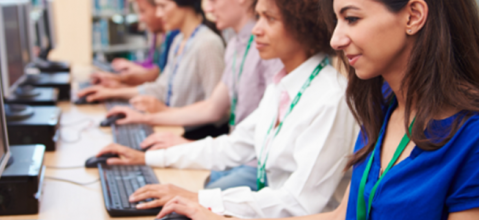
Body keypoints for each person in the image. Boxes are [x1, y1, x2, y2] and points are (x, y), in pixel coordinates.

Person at [153, 0, 479, 219]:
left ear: (414, 16)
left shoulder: (471, 137)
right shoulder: (379, 106)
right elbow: (342, 215)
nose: (336, 39)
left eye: (351, 18)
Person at [95, 0, 358, 217]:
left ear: (305, 26)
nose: (257, 29)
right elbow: (232, 146)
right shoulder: (283, 84)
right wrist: (146, 158)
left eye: (270, 19)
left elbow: (299, 203)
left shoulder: (330, 98)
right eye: (258, 17)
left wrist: (199, 198)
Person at [104, 0, 284, 191]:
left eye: (214, 1)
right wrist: (145, 118)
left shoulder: (268, 49)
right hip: (236, 152)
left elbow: (222, 118)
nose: (208, 8)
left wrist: (187, 145)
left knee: (188, 193)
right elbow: (212, 106)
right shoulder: (235, 45)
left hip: (253, 161)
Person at [78, 0, 225, 110]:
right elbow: (161, 88)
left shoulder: (207, 44)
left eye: (163, 6)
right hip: (175, 126)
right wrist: (112, 92)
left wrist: (164, 113)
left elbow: (217, 110)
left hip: (195, 137)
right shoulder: (179, 40)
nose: (159, 14)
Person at [91, 0, 179, 88]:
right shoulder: (159, 35)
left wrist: (121, 81)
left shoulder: (174, 36)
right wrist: (133, 67)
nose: (140, 18)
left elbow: (159, 75)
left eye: (143, 11)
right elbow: (156, 69)